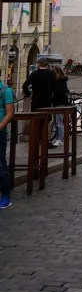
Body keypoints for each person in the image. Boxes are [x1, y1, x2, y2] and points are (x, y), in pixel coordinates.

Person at [0, 67, 14, 209]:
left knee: (1, 164)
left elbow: (10, 113)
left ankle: (5, 195)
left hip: (0, 132)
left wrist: (0, 126)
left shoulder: (6, 91)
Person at [51, 65, 69, 147]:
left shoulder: (57, 81)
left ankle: (60, 139)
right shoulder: (63, 80)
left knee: (59, 122)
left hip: (59, 102)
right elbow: (65, 90)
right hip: (62, 102)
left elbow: (57, 92)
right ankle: (58, 138)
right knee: (57, 122)